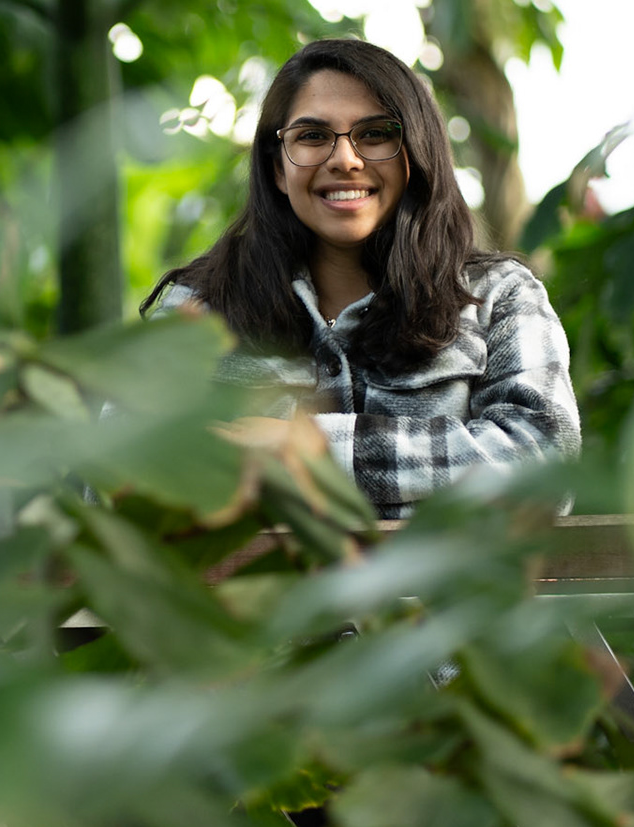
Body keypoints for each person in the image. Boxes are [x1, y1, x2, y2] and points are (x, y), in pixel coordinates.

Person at [143, 38, 580, 518]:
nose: (345, 160)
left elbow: (545, 467)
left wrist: (311, 451)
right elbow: (112, 469)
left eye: (375, 134)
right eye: (312, 136)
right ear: (277, 168)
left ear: (415, 154)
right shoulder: (200, 306)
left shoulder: (499, 296)